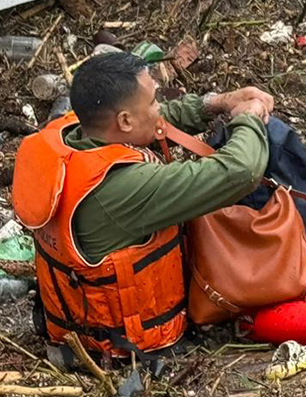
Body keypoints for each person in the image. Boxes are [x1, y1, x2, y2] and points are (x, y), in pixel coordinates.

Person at [12, 52, 274, 360]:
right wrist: (250, 118)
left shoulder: (67, 134)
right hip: (123, 347)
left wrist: (216, 104)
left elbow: (153, 120)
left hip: (71, 325)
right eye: (153, 102)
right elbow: (240, 172)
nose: (159, 108)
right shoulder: (123, 187)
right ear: (123, 120)